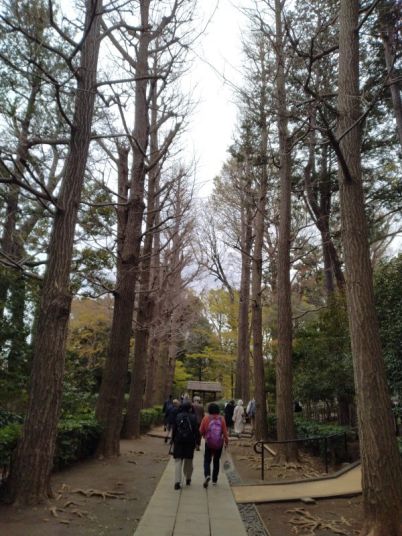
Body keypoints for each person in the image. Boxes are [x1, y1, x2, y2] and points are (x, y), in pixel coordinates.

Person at [171, 401, 200, 490]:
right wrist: (198, 442)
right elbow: (196, 431)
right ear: (190, 408)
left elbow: (174, 429)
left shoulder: (178, 416)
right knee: (189, 460)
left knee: (178, 461)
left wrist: (173, 440)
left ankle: (177, 482)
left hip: (178, 440)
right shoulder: (193, 417)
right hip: (189, 441)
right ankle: (188, 478)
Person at [199, 403, 229, 488]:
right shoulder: (221, 418)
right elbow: (225, 432)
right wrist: (226, 441)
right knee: (216, 461)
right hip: (219, 443)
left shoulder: (206, 418)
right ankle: (214, 480)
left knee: (207, 460)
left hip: (209, 443)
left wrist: (204, 436)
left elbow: (200, 430)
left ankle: (207, 475)